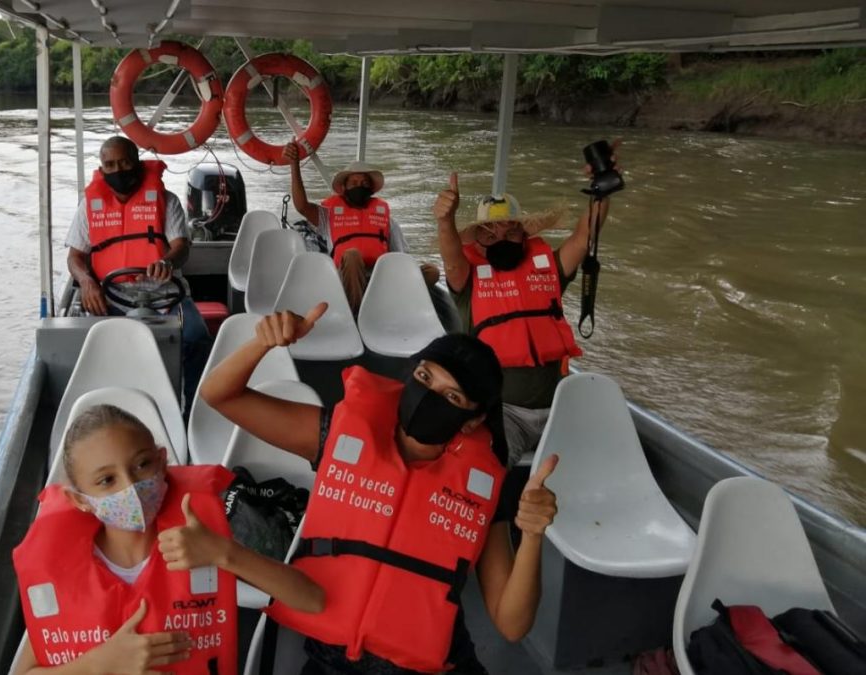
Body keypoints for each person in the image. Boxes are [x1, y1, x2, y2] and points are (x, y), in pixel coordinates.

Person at [199, 305, 559, 675]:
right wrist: (262, 344)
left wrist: (532, 536)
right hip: (334, 662)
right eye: (424, 376)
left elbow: (511, 624)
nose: (429, 395)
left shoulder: (483, 489)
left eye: (452, 397)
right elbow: (219, 394)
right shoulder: (335, 436)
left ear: (474, 421)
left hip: (436, 667)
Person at [12, 404, 324, 675]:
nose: (131, 486)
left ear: (162, 462)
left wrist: (224, 553)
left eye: (142, 464)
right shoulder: (64, 570)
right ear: (79, 499)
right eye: (107, 480)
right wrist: (99, 663)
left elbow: (313, 600)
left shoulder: (201, 537)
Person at [433, 145, 620, 467]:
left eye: (511, 230)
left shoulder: (550, 269)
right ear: (477, 241)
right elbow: (450, 254)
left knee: (602, 468)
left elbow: (585, 235)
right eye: (489, 234)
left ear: (523, 234)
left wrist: (602, 188)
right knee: (486, 470)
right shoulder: (467, 279)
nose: (501, 238)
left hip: (560, 409)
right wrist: (446, 219)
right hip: (503, 413)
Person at [65, 135, 210, 407]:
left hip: (164, 294)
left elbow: (181, 247)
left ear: (138, 164)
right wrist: (86, 281)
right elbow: (74, 256)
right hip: (111, 296)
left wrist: (167, 261)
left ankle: (192, 410)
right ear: (102, 168)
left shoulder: (166, 201)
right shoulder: (88, 207)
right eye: (110, 165)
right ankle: (106, 408)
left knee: (196, 337)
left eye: (124, 162)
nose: (118, 170)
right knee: (89, 346)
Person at [282, 142, 440, 313]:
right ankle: (356, 314)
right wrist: (294, 164)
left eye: (364, 183)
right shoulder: (328, 215)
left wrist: (402, 275)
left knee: (432, 271)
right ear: (343, 188)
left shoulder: (386, 220)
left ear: (371, 190)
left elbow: (401, 257)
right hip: (344, 282)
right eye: (354, 182)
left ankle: (395, 305)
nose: (360, 186)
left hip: (380, 281)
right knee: (351, 254)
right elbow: (301, 206)